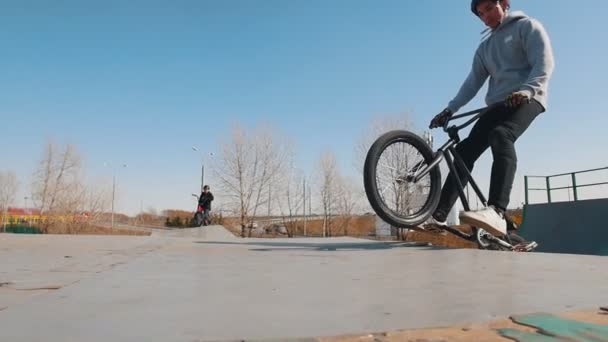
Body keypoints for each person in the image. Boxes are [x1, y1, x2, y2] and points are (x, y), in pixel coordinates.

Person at [426, 0, 555, 239]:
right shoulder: (484, 48)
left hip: (529, 98)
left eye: (489, 8)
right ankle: (439, 216)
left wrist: (527, 90)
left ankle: (497, 209)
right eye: (480, 13)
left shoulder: (527, 27)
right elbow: (472, 83)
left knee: (501, 135)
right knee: (465, 152)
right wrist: (450, 109)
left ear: (504, 4)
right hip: (497, 105)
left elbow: (544, 63)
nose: (485, 16)